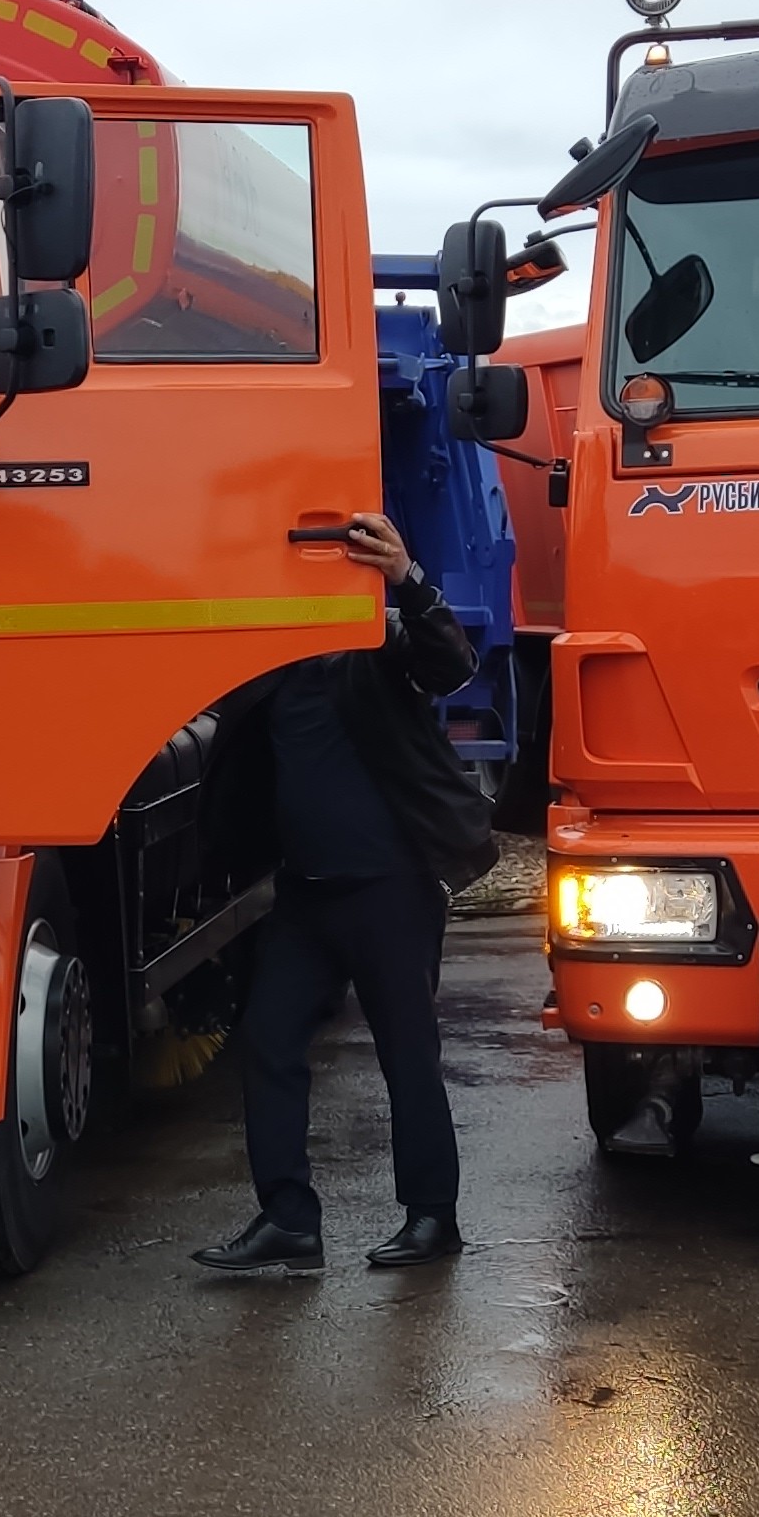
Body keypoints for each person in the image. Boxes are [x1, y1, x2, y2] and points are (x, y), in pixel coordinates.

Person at [192, 510, 498, 1278]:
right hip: (306, 895)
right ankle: (289, 1220)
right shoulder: (264, 676)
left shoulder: (376, 651)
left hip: (391, 890)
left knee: (408, 1056)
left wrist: (408, 578)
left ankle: (433, 1218)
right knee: (267, 1041)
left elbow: (450, 666)